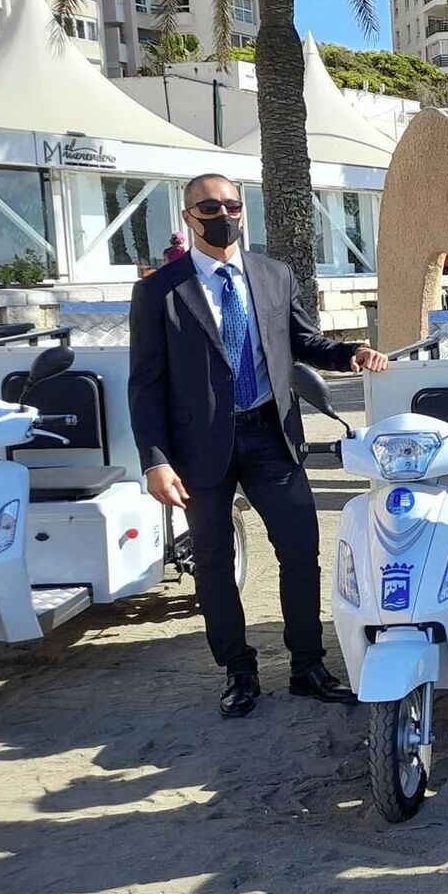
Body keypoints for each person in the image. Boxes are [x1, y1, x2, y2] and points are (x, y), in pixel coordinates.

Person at [129, 174, 389, 719]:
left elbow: (303, 341)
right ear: (189, 216)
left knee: (300, 552)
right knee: (216, 563)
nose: (221, 213)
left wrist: (351, 355)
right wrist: (155, 461)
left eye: (230, 204)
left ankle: (307, 666)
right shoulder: (159, 291)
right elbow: (145, 383)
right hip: (199, 450)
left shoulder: (273, 275)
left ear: (243, 211)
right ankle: (238, 671)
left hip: (271, 435)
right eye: (209, 205)